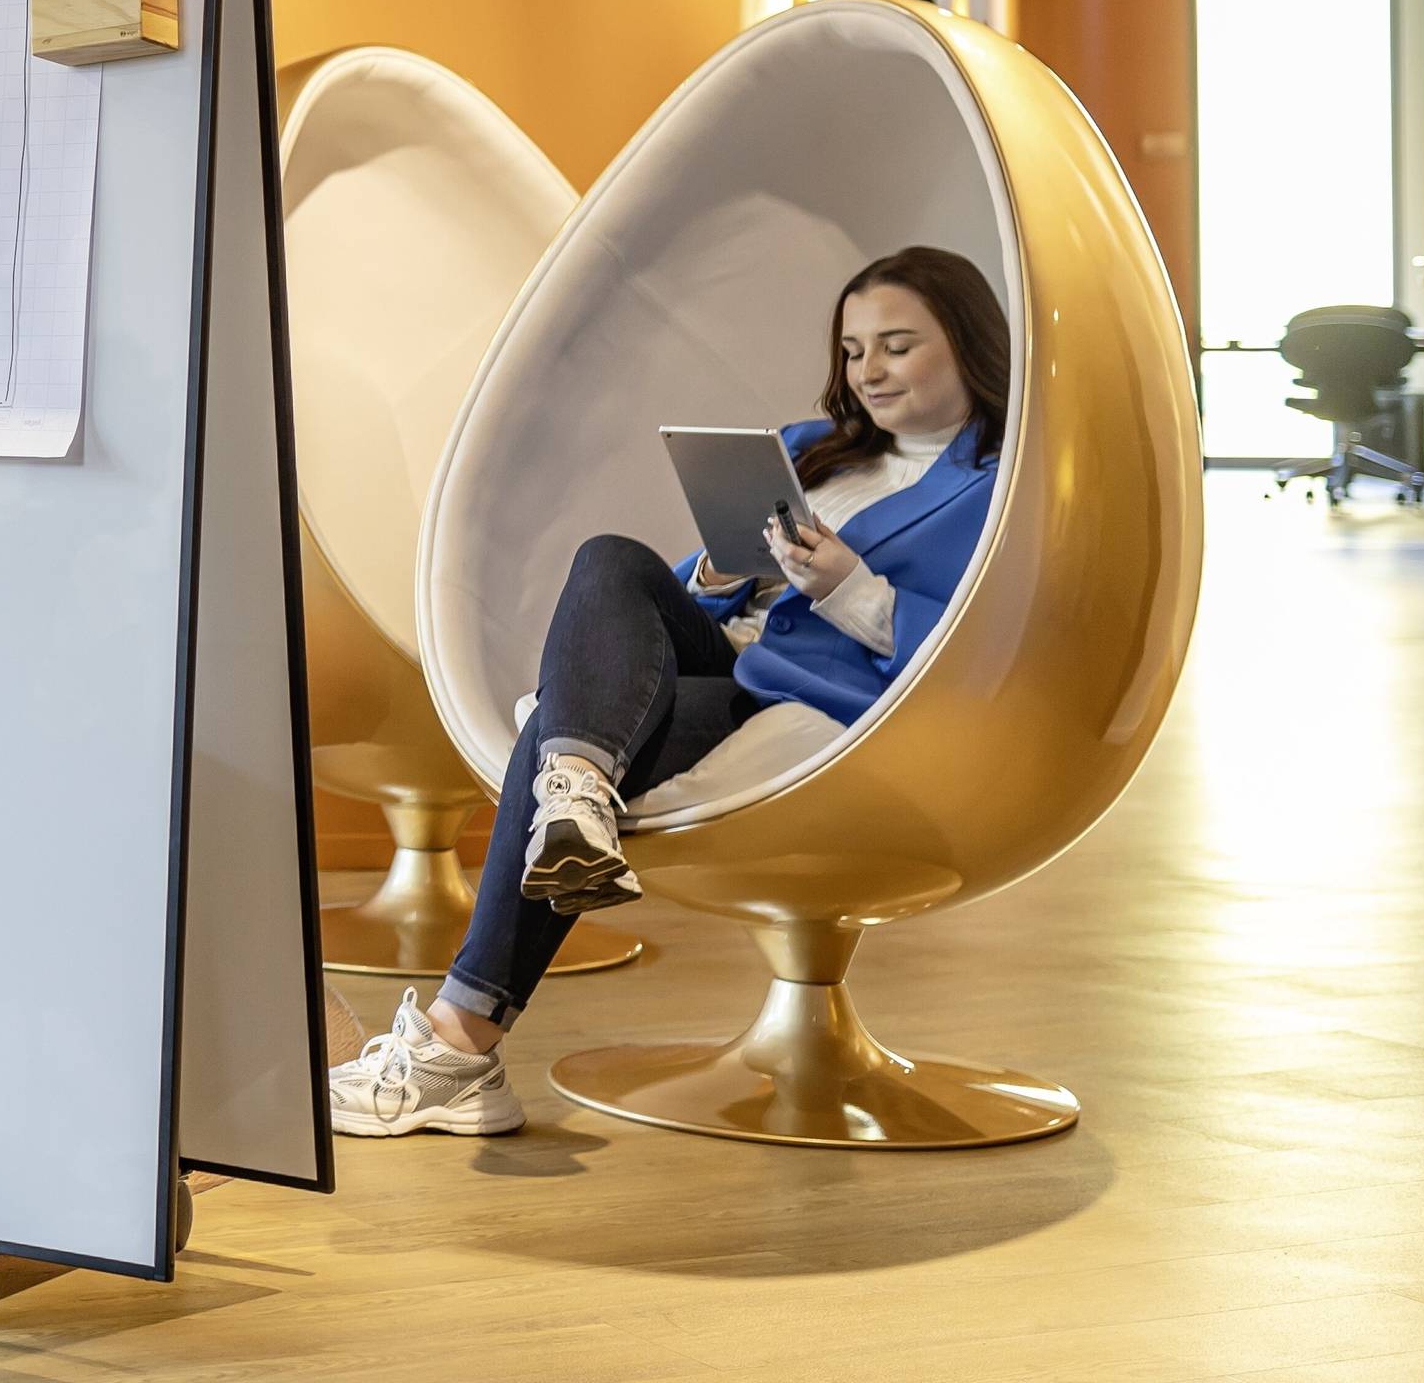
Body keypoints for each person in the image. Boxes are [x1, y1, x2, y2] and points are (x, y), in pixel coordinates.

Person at [328, 245, 1011, 1137]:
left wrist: (848, 586)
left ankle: (464, 1037)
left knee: (551, 743)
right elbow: (685, 588)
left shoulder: (996, 488)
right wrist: (725, 571)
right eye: (852, 351)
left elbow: (983, 649)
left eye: (896, 345)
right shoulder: (812, 450)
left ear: (966, 346)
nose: (868, 372)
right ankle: (577, 783)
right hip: (719, 652)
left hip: (809, 697)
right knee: (611, 556)